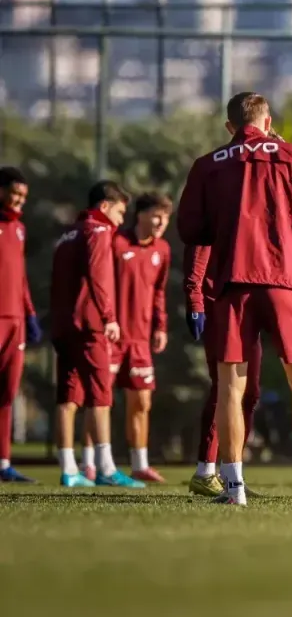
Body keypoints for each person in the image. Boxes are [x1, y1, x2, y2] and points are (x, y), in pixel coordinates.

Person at [177, 91, 292, 506]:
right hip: (285, 279)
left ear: (230, 126)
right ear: (268, 122)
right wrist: (284, 236)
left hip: (232, 282)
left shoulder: (208, 164)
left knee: (230, 387)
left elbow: (191, 229)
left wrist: (229, 233)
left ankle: (233, 487)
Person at [51, 181, 144, 488]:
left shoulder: (68, 233)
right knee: (101, 396)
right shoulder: (99, 230)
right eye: (120, 212)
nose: (121, 220)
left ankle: (69, 470)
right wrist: (109, 318)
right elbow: (98, 275)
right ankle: (105, 468)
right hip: (89, 325)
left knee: (68, 397)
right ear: (104, 207)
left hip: (63, 326)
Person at [184, 242, 264, 497]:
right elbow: (198, 254)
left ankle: (232, 472)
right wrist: (195, 303)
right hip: (218, 306)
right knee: (225, 387)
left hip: (246, 308)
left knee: (250, 393)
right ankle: (205, 472)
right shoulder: (216, 221)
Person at [105, 192, 172, 484]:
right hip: (111, 335)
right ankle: (93, 463)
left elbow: (159, 291)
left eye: (165, 218)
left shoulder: (163, 250)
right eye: (156, 215)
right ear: (140, 215)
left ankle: (139, 464)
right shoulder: (116, 242)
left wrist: (160, 327)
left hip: (141, 339)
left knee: (142, 402)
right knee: (100, 401)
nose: (160, 222)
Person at [0, 167, 40, 483]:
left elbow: (21, 276)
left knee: (7, 393)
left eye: (23, 195)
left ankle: (3, 463)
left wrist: (29, 313)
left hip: (16, 322)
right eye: (14, 193)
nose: (18, 200)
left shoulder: (19, 229)